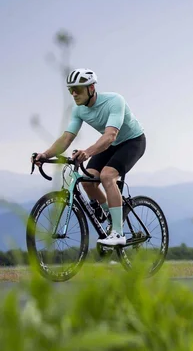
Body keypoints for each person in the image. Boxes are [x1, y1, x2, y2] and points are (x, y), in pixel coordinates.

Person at [32, 68, 146, 246]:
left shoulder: (114, 101)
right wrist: (45, 155)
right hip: (111, 145)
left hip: (132, 142)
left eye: (77, 88)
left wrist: (87, 152)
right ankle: (111, 213)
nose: (74, 93)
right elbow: (66, 138)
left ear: (91, 88)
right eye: (71, 90)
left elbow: (110, 136)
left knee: (107, 176)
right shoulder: (79, 110)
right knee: (87, 180)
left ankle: (118, 233)